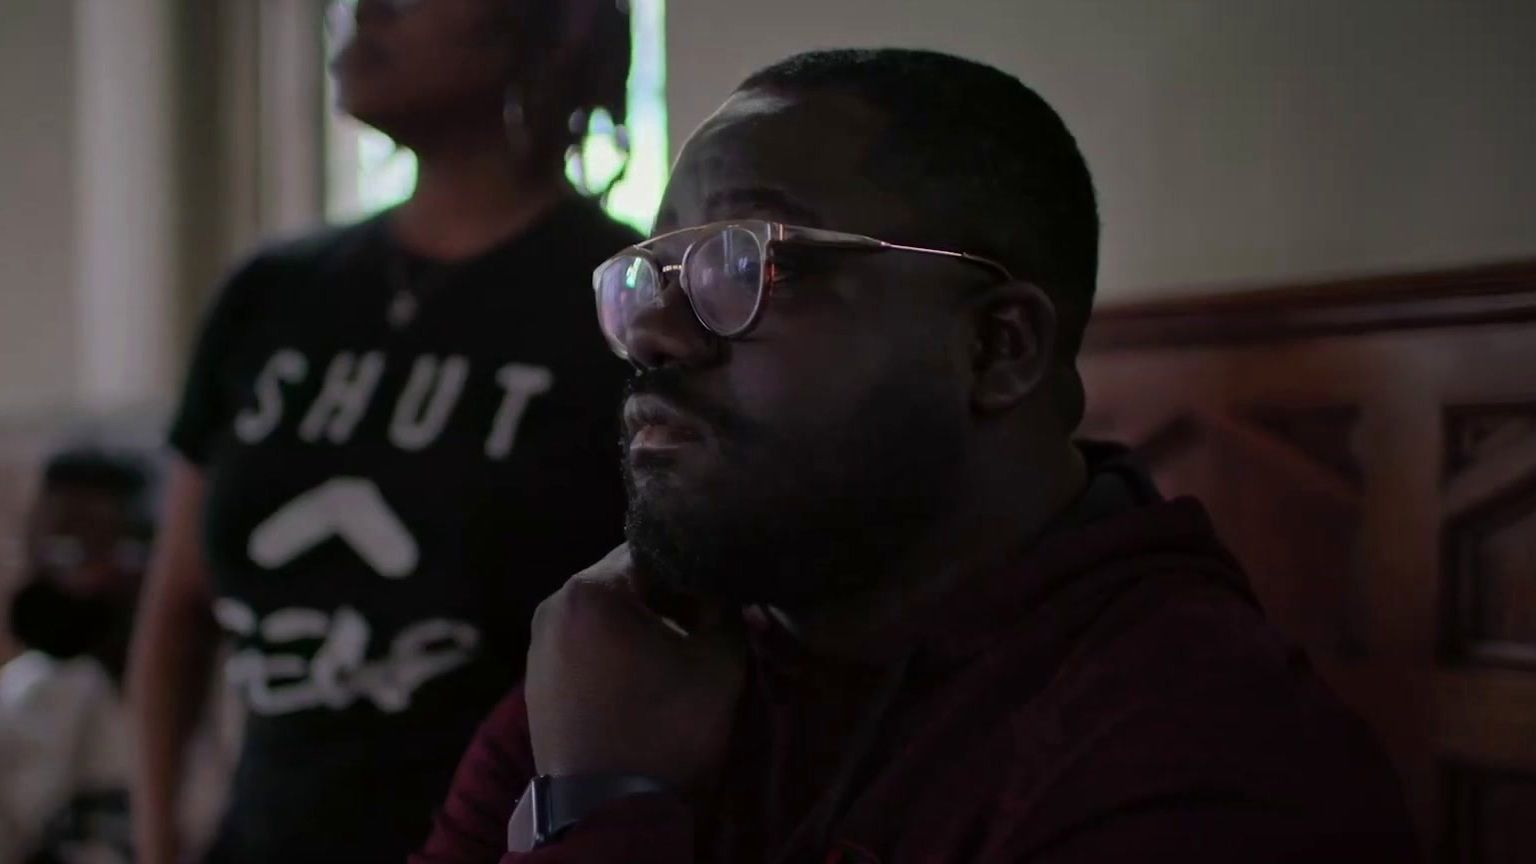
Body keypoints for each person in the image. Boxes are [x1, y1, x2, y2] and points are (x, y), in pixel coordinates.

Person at [414, 48, 1420, 863]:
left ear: (996, 348)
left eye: (743, 265)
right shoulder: (632, 657)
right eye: (651, 273)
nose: (652, 333)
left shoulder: (1201, 761)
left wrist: (601, 809)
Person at [127, 1, 641, 862]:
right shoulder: (271, 292)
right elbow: (179, 603)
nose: (366, 10)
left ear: (546, 28)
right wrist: (157, 840)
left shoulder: (613, 304)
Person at [1, 448, 224, 864]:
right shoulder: (26, 700)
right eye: (42, 549)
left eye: (75, 551)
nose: (56, 578)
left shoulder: (228, 695)